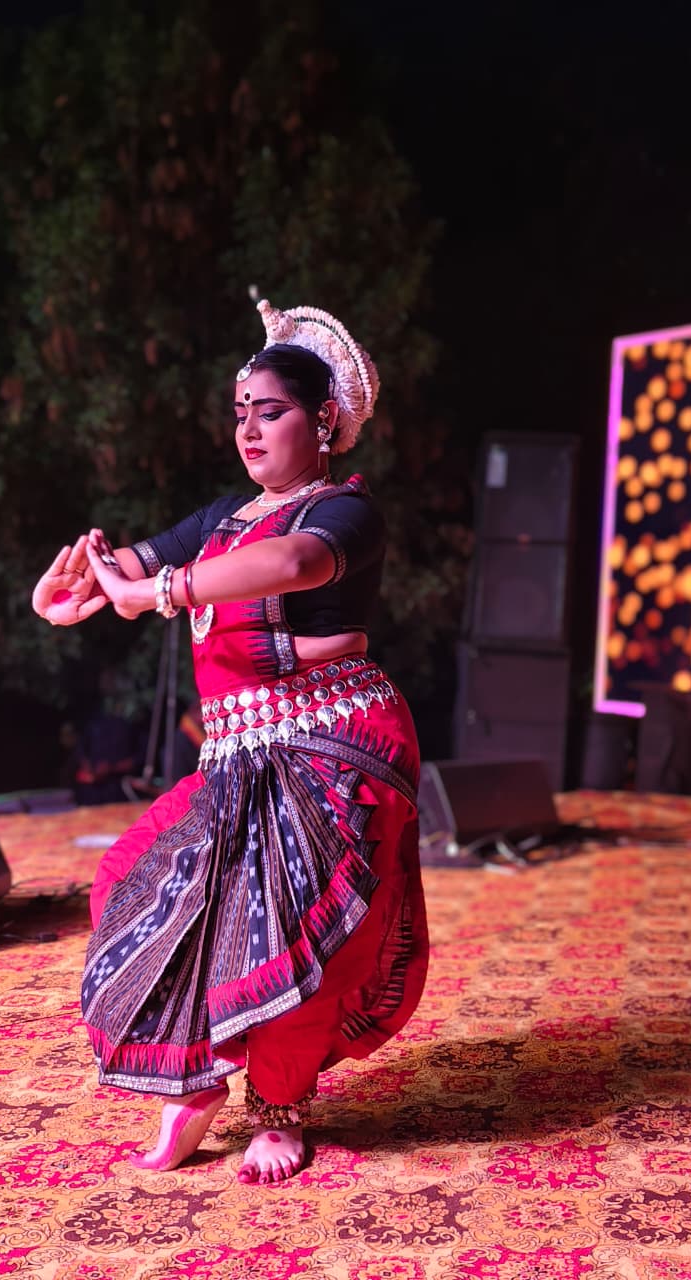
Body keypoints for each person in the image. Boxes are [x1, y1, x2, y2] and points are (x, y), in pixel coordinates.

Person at [31, 298, 429, 1185]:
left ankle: (280, 1107)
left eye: (271, 411)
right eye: (239, 412)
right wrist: (72, 590)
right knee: (133, 884)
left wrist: (164, 591)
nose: (248, 430)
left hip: (335, 741)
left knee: (292, 928)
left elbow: (287, 569)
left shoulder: (344, 512)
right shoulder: (223, 517)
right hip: (239, 752)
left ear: (324, 420)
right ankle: (199, 1077)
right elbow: (127, 569)